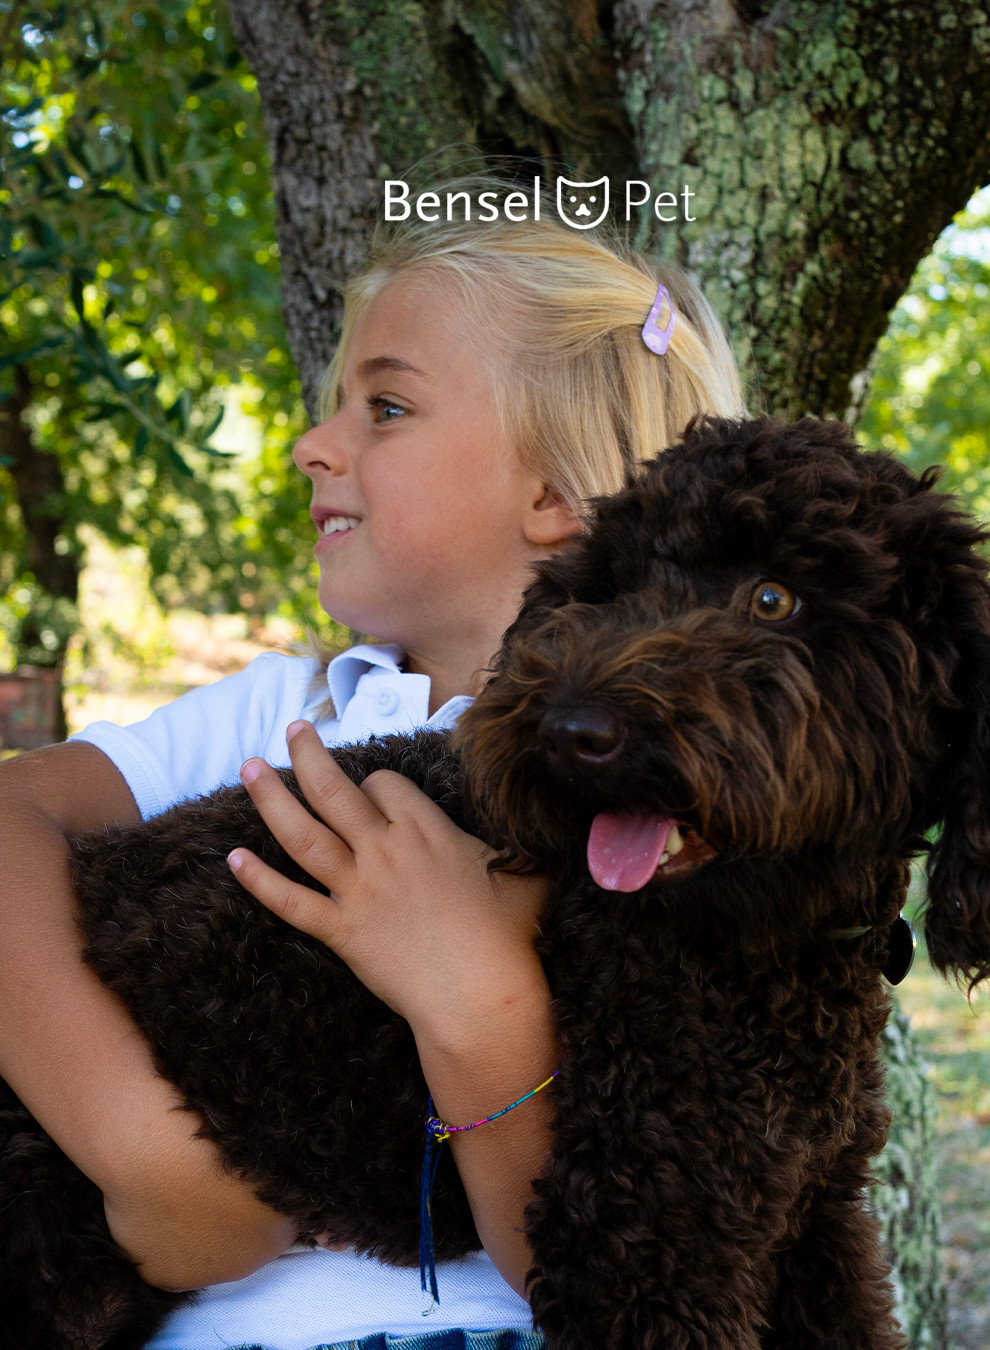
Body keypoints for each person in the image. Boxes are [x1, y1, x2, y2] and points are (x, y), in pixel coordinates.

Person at [0, 177, 745, 1350]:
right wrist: (154, 1157)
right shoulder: (284, 710)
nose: (312, 447)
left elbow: (608, 1275)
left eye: (385, 408)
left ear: (556, 491)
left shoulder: (658, 806)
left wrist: (481, 1009)